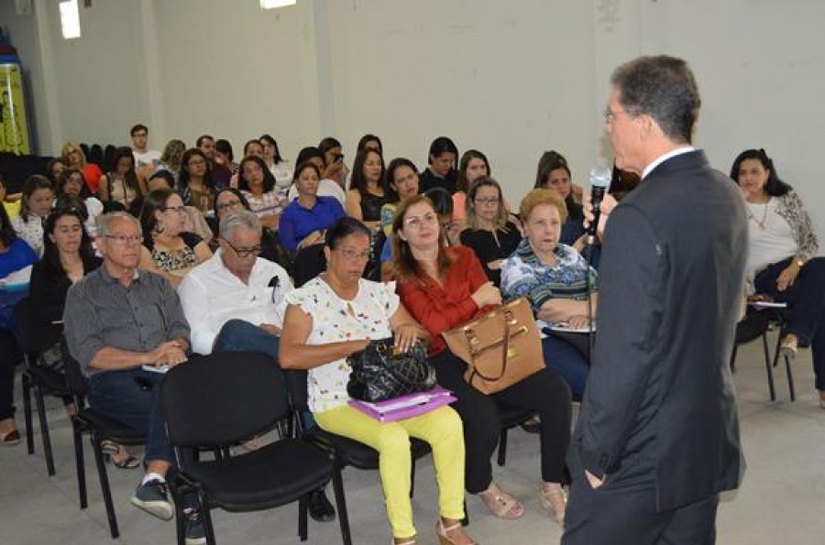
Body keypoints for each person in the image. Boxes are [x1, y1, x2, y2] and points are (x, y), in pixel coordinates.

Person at [562, 55, 748, 545]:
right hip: (704, 432)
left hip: (643, 449)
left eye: (612, 115)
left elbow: (626, 352)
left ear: (643, 123)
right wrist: (616, 235)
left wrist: (596, 456)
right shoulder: (725, 193)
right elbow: (685, 291)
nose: (607, 127)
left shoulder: (641, 217)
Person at [279, 217, 477, 545]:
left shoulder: (378, 293)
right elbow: (288, 356)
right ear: (328, 253)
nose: (358, 263)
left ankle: (450, 524)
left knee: (449, 422)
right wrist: (352, 346)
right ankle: (403, 537)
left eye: (363, 255)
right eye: (349, 253)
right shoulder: (306, 299)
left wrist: (409, 331)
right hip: (336, 401)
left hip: (389, 392)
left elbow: (424, 337)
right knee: (394, 440)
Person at [392, 195, 572, 525]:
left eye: (429, 217)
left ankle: (551, 484)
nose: (424, 227)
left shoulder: (464, 255)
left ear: (440, 222)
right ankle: (482, 484)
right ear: (401, 234)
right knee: (484, 417)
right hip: (442, 359)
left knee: (556, 392)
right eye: (413, 222)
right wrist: (472, 301)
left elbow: (491, 306)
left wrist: (462, 312)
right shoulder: (401, 277)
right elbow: (433, 328)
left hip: (485, 345)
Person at [62, 212, 205, 544]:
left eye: (136, 238)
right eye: (121, 238)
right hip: (112, 380)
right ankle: (189, 503)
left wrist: (176, 347)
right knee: (175, 405)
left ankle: (154, 478)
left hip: (165, 371)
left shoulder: (157, 284)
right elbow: (90, 354)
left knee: (181, 393)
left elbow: (180, 328)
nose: (131, 245)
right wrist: (148, 357)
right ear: (100, 244)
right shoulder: (83, 294)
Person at [730, 148, 825, 407]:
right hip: (766, 275)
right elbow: (721, 246)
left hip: (797, 268)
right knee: (821, 300)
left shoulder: (786, 199)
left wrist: (796, 265)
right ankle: (822, 385)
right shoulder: (730, 206)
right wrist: (736, 202)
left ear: (767, 173)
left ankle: (795, 334)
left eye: (754, 171)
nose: (748, 178)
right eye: (742, 173)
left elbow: (810, 239)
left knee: (822, 270)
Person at [500, 189, 594, 398]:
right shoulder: (515, 266)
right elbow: (547, 309)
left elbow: (603, 291)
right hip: (545, 341)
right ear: (525, 227)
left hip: (587, 331)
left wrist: (586, 314)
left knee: (625, 374)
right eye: (540, 223)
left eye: (554, 223)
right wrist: (588, 307)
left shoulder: (569, 254)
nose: (548, 230)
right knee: (593, 384)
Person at [0, 204, 38, 446]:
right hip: (2, 325)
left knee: (59, 339)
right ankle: (5, 417)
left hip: (28, 316)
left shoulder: (20, 247)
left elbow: (41, 277)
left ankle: (72, 405)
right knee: (2, 352)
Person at [138, 189, 212, 287]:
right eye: (177, 210)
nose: (184, 215)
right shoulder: (143, 244)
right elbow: (155, 279)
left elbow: (211, 268)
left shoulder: (191, 239)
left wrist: (172, 273)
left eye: (183, 209)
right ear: (159, 215)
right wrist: (193, 275)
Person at [459, 177, 521, 287]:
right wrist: (508, 264)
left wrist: (496, 265)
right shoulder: (466, 237)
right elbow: (478, 276)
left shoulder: (510, 229)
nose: (489, 205)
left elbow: (523, 262)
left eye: (493, 200)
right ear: (472, 202)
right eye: (482, 200)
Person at [213, 188, 291, 272]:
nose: (228, 210)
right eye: (221, 207)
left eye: (232, 203)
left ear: (244, 206)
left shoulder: (264, 234)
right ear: (217, 215)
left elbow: (280, 266)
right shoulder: (215, 244)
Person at [278, 162, 345, 253]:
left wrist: (321, 234)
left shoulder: (331, 203)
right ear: (297, 183)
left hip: (336, 252)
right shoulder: (288, 213)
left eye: (314, 179)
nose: (311, 182)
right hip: (306, 257)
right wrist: (306, 242)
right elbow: (288, 248)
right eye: (306, 179)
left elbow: (346, 228)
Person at [534, 151, 587, 251]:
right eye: (554, 182)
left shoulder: (580, 212)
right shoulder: (535, 214)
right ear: (544, 185)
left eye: (565, 180)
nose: (561, 186)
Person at [238, 155, 286, 231]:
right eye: (249, 171)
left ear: (263, 170)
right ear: (244, 176)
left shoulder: (276, 190)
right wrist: (272, 219)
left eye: (257, 169)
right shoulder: (241, 197)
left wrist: (261, 221)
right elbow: (247, 224)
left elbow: (289, 212)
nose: (254, 174)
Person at [345, 148, 387, 229]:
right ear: (360, 167)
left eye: (379, 163)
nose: (376, 167)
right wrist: (384, 225)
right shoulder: (353, 195)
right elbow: (357, 225)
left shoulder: (389, 190)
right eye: (370, 164)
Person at [11, 175, 54, 257]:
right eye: (39, 200)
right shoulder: (16, 225)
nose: (44, 204)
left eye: (48, 199)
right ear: (27, 199)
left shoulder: (60, 217)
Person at [379, 157, 420, 236]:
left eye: (410, 177)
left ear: (417, 177)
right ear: (393, 186)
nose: (408, 184)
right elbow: (393, 239)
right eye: (401, 181)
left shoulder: (429, 201)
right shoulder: (388, 210)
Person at [57, 168, 104, 236]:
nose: (74, 184)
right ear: (62, 183)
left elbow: (101, 230)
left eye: (79, 182)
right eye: (71, 180)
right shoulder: (54, 203)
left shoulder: (93, 202)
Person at [178, 148, 221, 215]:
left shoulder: (216, 186)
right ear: (186, 167)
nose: (199, 165)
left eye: (201, 161)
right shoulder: (182, 191)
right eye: (194, 163)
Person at [453, 150, 490, 224]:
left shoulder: (494, 196)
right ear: (464, 172)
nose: (480, 172)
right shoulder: (457, 200)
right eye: (474, 168)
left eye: (483, 167)